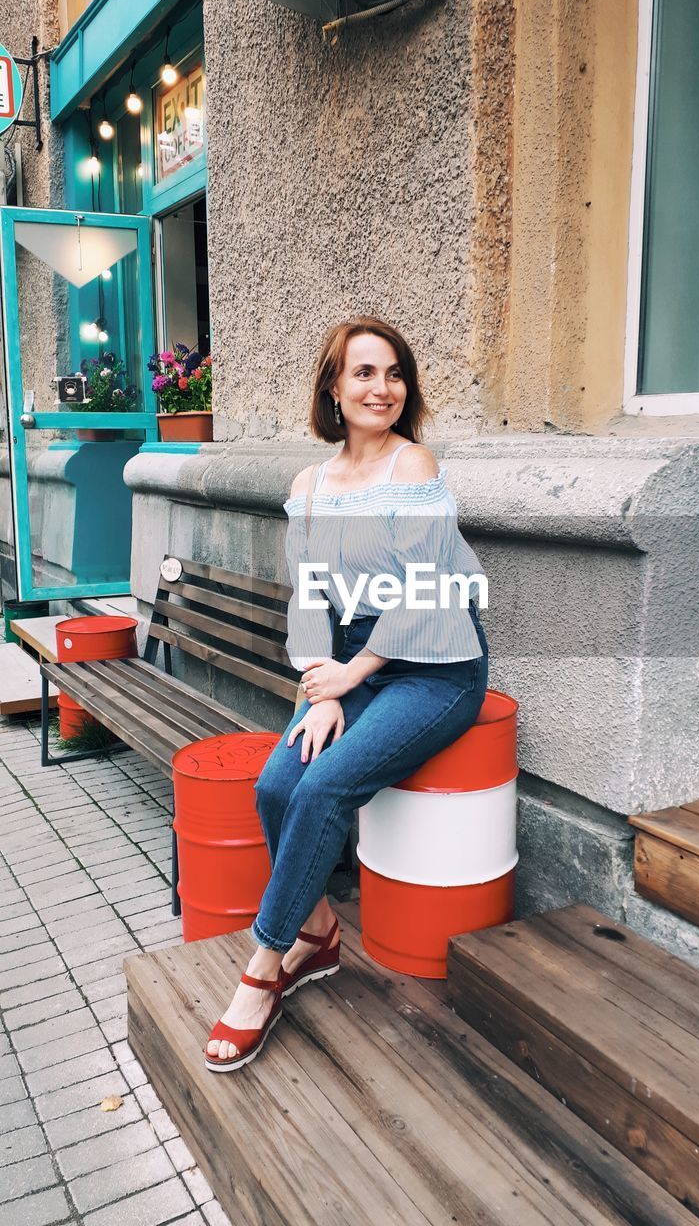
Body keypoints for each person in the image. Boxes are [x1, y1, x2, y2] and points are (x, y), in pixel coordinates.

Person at [205, 316, 488, 1071]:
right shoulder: (309, 485)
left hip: (433, 664)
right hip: (347, 664)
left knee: (323, 788)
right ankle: (321, 929)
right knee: (276, 785)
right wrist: (319, 686)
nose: (382, 388)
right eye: (364, 373)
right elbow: (309, 598)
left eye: (394, 373)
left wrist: (351, 675)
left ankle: (266, 967)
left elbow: (429, 593)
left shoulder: (414, 468)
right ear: (334, 385)